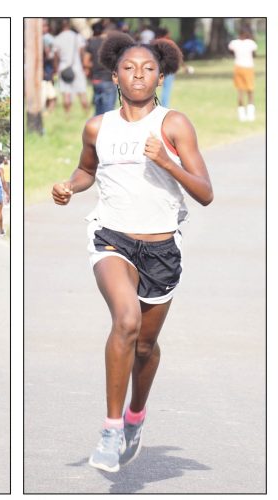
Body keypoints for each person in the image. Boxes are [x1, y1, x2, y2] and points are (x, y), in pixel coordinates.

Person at [52, 32, 213, 473]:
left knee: (145, 345)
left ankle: (135, 416)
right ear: (114, 76)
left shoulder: (174, 124)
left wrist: (166, 160)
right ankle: (109, 430)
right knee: (125, 321)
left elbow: (205, 193)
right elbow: (86, 170)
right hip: (111, 238)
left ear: (160, 75)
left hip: (161, 247)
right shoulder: (98, 126)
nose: (138, 74)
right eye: (129, 68)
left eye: (147, 68)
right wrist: (70, 186)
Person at [53, 18, 89, 114]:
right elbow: (82, 52)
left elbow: (56, 57)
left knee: (66, 93)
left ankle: (67, 115)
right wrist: (83, 65)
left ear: (61, 26)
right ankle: (86, 113)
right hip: (77, 67)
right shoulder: (77, 36)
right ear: (69, 24)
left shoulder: (57, 39)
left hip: (63, 68)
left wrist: (56, 70)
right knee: (82, 92)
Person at [84, 21, 117, 115]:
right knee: (109, 113)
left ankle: (96, 128)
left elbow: (85, 62)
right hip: (109, 80)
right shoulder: (110, 43)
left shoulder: (90, 43)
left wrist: (94, 65)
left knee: (98, 111)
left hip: (96, 80)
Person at [228, 26, 258, 122]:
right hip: (248, 67)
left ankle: (242, 115)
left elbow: (231, 52)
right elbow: (254, 54)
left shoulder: (234, 43)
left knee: (240, 91)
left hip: (238, 67)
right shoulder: (250, 43)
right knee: (250, 91)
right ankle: (250, 114)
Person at [42, 19, 57, 112]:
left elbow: (52, 54)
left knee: (49, 87)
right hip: (43, 66)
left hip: (47, 66)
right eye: (43, 26)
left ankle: (50, 109)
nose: (45, 28)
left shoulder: (47, 38)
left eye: (46, 26)